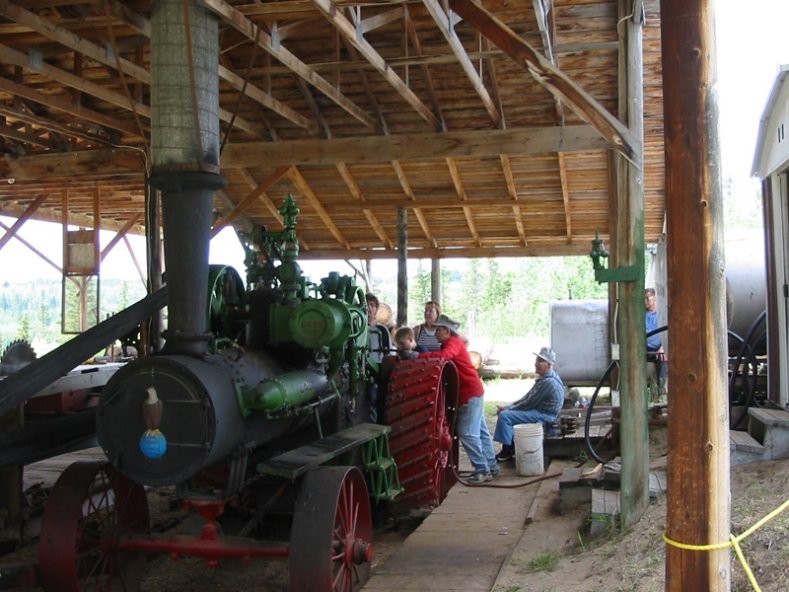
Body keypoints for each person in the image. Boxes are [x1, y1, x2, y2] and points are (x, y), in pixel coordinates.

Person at [416, 314, 499, 484]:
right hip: (472, 391)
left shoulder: (453, 343)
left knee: (467, 433)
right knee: (481, 432)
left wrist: (417, 357)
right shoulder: (452, 343)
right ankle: (492, 466)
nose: (435, 332)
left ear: (446, 331)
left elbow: (443, 357)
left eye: (438, 329)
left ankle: (482, 470)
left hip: (469, 393)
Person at [494, 347, 564, 462]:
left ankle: (507, 451)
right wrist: (508, 407)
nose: (536, 364)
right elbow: (527, 397)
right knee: (507, 413)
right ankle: (511, 448)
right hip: (541, 411)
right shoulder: (546, 377)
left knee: (505, 416)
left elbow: (528, 403)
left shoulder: (548, 382)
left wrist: (506, 410)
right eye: (537, 360)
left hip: (546, 415)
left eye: (540, 361)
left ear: (549, 365)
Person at [645, 288, 667, 392]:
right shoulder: (642, 314)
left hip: (659, 349)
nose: (645, 301)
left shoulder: (662, 314)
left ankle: (661, 392)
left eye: (647, 298)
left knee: (663, 359)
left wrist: (663, 347)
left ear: (654, 299)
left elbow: (668, 332)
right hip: (645, 349)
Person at [366, 293, 393, 363]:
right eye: (365, 305)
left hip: (375, 368)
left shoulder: (382, 330)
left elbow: (388, 354)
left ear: (376, 309)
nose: (368, 308)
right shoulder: (355, 329)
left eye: (372, 305)